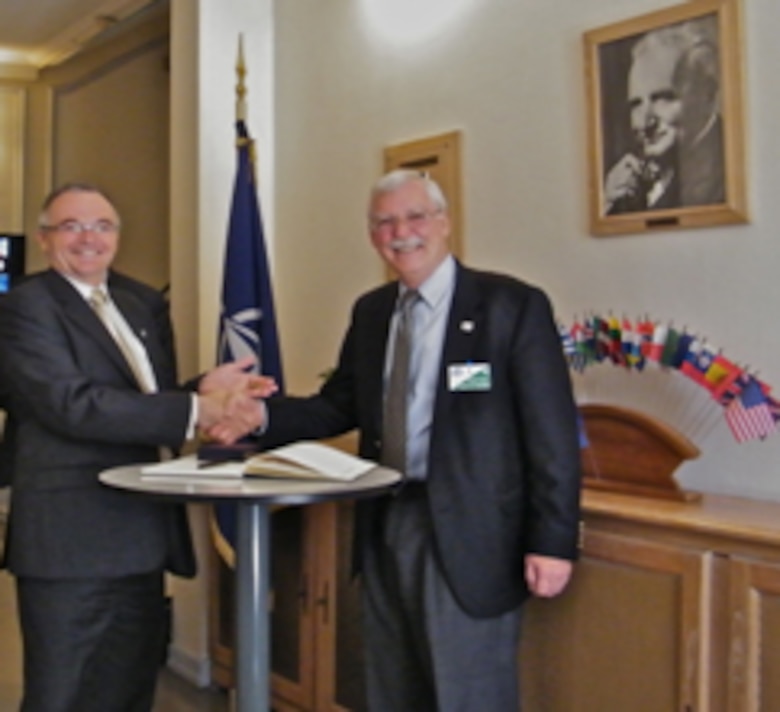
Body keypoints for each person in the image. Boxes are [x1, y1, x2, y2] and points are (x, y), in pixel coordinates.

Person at [257, 169, 582, 710]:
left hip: (471, 534)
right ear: (371, 235)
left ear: (445, 223)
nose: (400, 232)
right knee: (392, 685)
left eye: (414, 217)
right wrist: (256, 418)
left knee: (467, 692)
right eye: (384, 222)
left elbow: (551, 433)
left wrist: (553, 540)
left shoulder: (510, 306)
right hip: (385, 518)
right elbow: (337, 404)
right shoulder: (372, 312)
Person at [0, 183, 271, 712]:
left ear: (117, 238)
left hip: (142, 532)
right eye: (71, 226)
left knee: (128, 693)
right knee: (62, 695)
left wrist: (200, 390)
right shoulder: (23, 308)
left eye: (102, 226)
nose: (88, 238)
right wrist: (195, 411)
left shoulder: (141, 301)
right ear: (44, 238)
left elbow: (142, 406)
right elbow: (71, 404)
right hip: (69, 541)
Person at [604, 18, 724, 215]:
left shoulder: (726, 176)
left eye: (663, 98)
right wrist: (607, 204)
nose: (644, 122)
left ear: (707, 94)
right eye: (636, 104)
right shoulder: (629, 183)